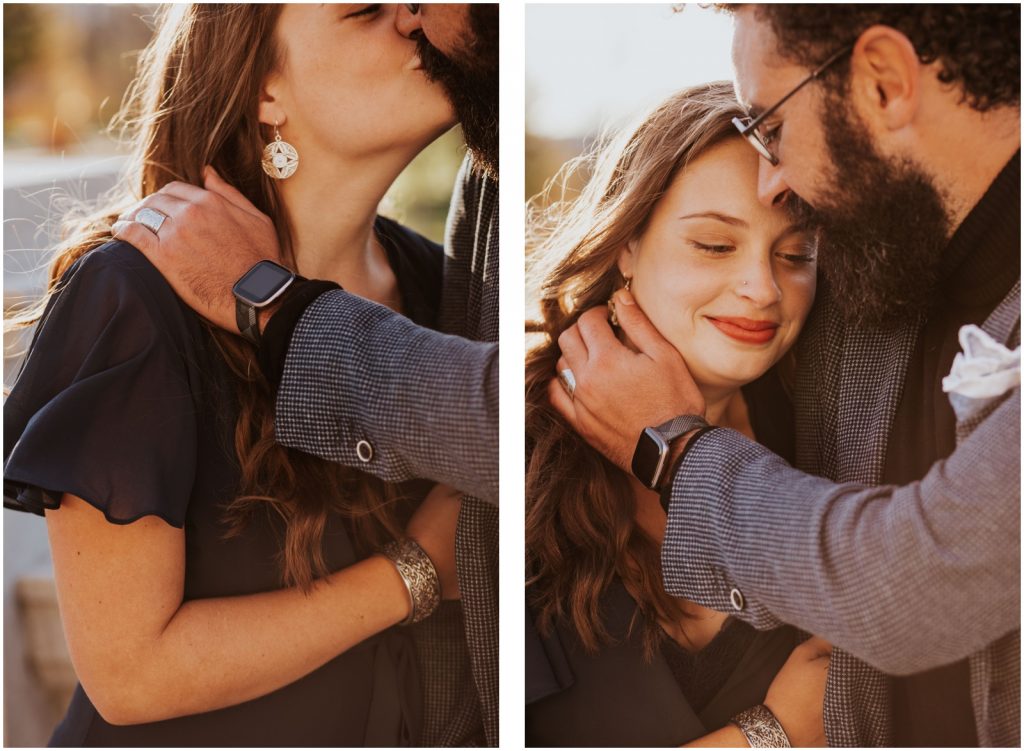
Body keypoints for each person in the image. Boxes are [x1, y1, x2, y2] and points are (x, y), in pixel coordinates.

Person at [551, 5, 1020, 746]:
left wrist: (675, 449)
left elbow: (917, 581)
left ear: (885, 83)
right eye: (712, 243)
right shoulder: (875, 282)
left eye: (771, 127)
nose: (774, 181)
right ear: (625, 242)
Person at [4, 4, 468, 746]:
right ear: (264, 90)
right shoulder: (134, 297)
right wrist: (409, 574)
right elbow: (130, 673)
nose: (417, 20)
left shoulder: (437, 286)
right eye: (367, 11)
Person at [525, 83, 838, 747]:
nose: (762, 287)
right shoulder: (517, 460)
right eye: (714, 245)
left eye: (794, 254)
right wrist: (771, 735)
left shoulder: (835, 444)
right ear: (626, 244)